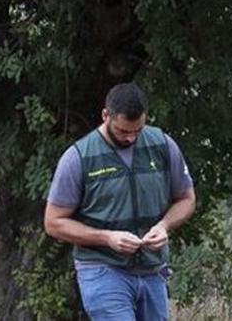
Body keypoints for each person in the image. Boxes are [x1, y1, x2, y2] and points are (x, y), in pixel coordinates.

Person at [44, 83, 197, 320]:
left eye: (137, 130)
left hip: (152, 270)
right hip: (102, 269)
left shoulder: (162, 145)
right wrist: (107, 237)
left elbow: (186, 199)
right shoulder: (78, 158)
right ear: (106, 115)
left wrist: (164, 226)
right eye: (123, 131)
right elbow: (53, 222)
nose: (130, 138)